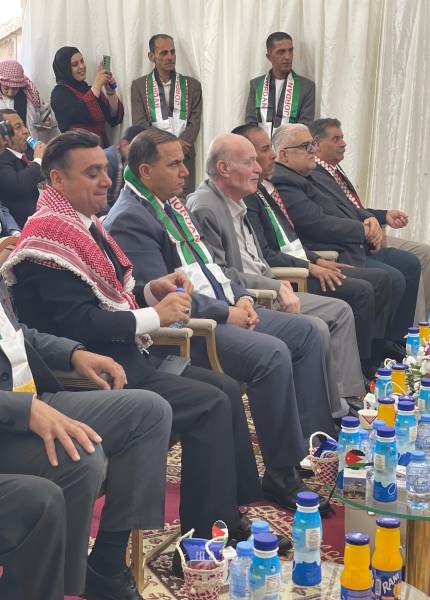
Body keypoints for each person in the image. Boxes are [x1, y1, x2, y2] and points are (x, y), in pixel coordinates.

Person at [1, 130, 263, 550]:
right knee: (211, 403)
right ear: (57, 180)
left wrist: (149, 292)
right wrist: (154, 316)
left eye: (106, 170)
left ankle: (225, 516)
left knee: (226, 390)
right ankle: (203, 538)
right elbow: (79, 323)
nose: (106, 181)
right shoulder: (47, 239)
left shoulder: (82, 226)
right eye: (92, 173)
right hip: (96, 371)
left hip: (123, 356)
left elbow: (107, 297)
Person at [104, 127, 335, 513]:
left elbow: (212, 270)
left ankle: (310, 448)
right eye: (175, 164)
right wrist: (227, 312)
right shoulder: (131, 218)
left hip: (225, 307)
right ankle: (281, 473)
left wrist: (242, 298)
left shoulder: (170, 207)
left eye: (184, 162)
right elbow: (167, 298)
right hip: (189, 329)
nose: (185, 171)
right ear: (145, 171)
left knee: (306, 332)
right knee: (272, 354)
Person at [0, 276, 171, 600]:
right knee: (81, 455)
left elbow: (15, 334)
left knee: (150, 411)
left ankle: (107, 564)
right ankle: (63, 584)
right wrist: (22, 410)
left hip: (34, 397)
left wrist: (74, 354)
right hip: (12, 416)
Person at [187, 132, 365, 414]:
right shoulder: (206, 207)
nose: (258, 168)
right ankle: (335, 410)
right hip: (249, 298)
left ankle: (344, 402)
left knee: (338, 311)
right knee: (317, 326)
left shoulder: (238, 199)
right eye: (250, 162)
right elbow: (219, 275)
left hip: (266, 286)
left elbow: (261, 257)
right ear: (223, 168)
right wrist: (271, 286)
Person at [234, 123, 392, 375]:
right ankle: (361, 369)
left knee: (380, 280)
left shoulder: (264, 188)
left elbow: (289, 240)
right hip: (289, 275)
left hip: (302, 263)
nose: (272, 155)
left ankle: (366, 361)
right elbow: (267, 253)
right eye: (264, 150)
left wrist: (316, 260)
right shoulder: (252, 195)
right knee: (363, 290)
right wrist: (310, 267)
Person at [270, 123, 421, 350]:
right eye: (306, 146)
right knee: (385, 279)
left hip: (338, 248)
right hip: (330, 250)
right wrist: (363, 230)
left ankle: (392, 343)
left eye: (312, 144)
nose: (313, 150)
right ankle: (372, 354)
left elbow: (342, 206)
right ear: (284, 154)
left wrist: (369, 218)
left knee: (407, 265)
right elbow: (316, 224)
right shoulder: (286, 181)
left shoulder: (306, 175)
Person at [310, 117, 430, 323]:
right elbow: (334, 218)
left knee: (423, 254)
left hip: (365, 233)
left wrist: (382, 216)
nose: (344, 143)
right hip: (352, 242)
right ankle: (416, 328)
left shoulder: (333, 170)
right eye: (336, 139)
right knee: (413, 261)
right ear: (316, 144)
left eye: (342, 138)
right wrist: (369, 227)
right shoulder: (314, 174)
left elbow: (352, 209)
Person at [131, 34, 202, 195]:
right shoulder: (139, 86)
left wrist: (180, 145)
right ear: (151, 56)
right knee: (157, 200)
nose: (170, 57)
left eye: (172, 52)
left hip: (184, 155)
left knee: (183, 201)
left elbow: (195, 121)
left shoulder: (192, 85)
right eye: (163, 53)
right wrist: (168, 146)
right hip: (154, 155)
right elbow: (140, 123)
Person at [51, 46, 124, 147]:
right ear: (65, 68)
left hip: (101, 149)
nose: (81, 66)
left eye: (82, 61)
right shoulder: (59, 93)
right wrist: (97, 85)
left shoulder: (89, 90)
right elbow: (82, 112)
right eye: (75, 64)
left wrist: (111, 93)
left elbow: (113, 118)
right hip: (78, 150)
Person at [245, 31, 315, 136]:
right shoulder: (256, 85)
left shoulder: (306, 87)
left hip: (292, 144)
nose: (288, 56)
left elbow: (305, 127)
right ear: (269, 56)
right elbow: (251, 124)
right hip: (261, 145)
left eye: (290, 51)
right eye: (281, 52)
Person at [0, 108, 45, 227]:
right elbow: (20, 185)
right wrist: (38, 160)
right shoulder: (2, 157)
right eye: (18, 127)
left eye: (24, 125)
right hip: (21, 227)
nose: (26, 131)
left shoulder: (27, 153)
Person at [0, 58, 57, 142]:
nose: (10, 93)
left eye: (15, 89)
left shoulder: (30, 97)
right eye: (6, 88)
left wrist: (46, 121)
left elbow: (43, 114)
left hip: (27, 143)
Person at [105, 125, 145, 209]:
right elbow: (102, 198)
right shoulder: (110, 159)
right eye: (137, 150)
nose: (139, 156)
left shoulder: (120, 159)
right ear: (124, 144)